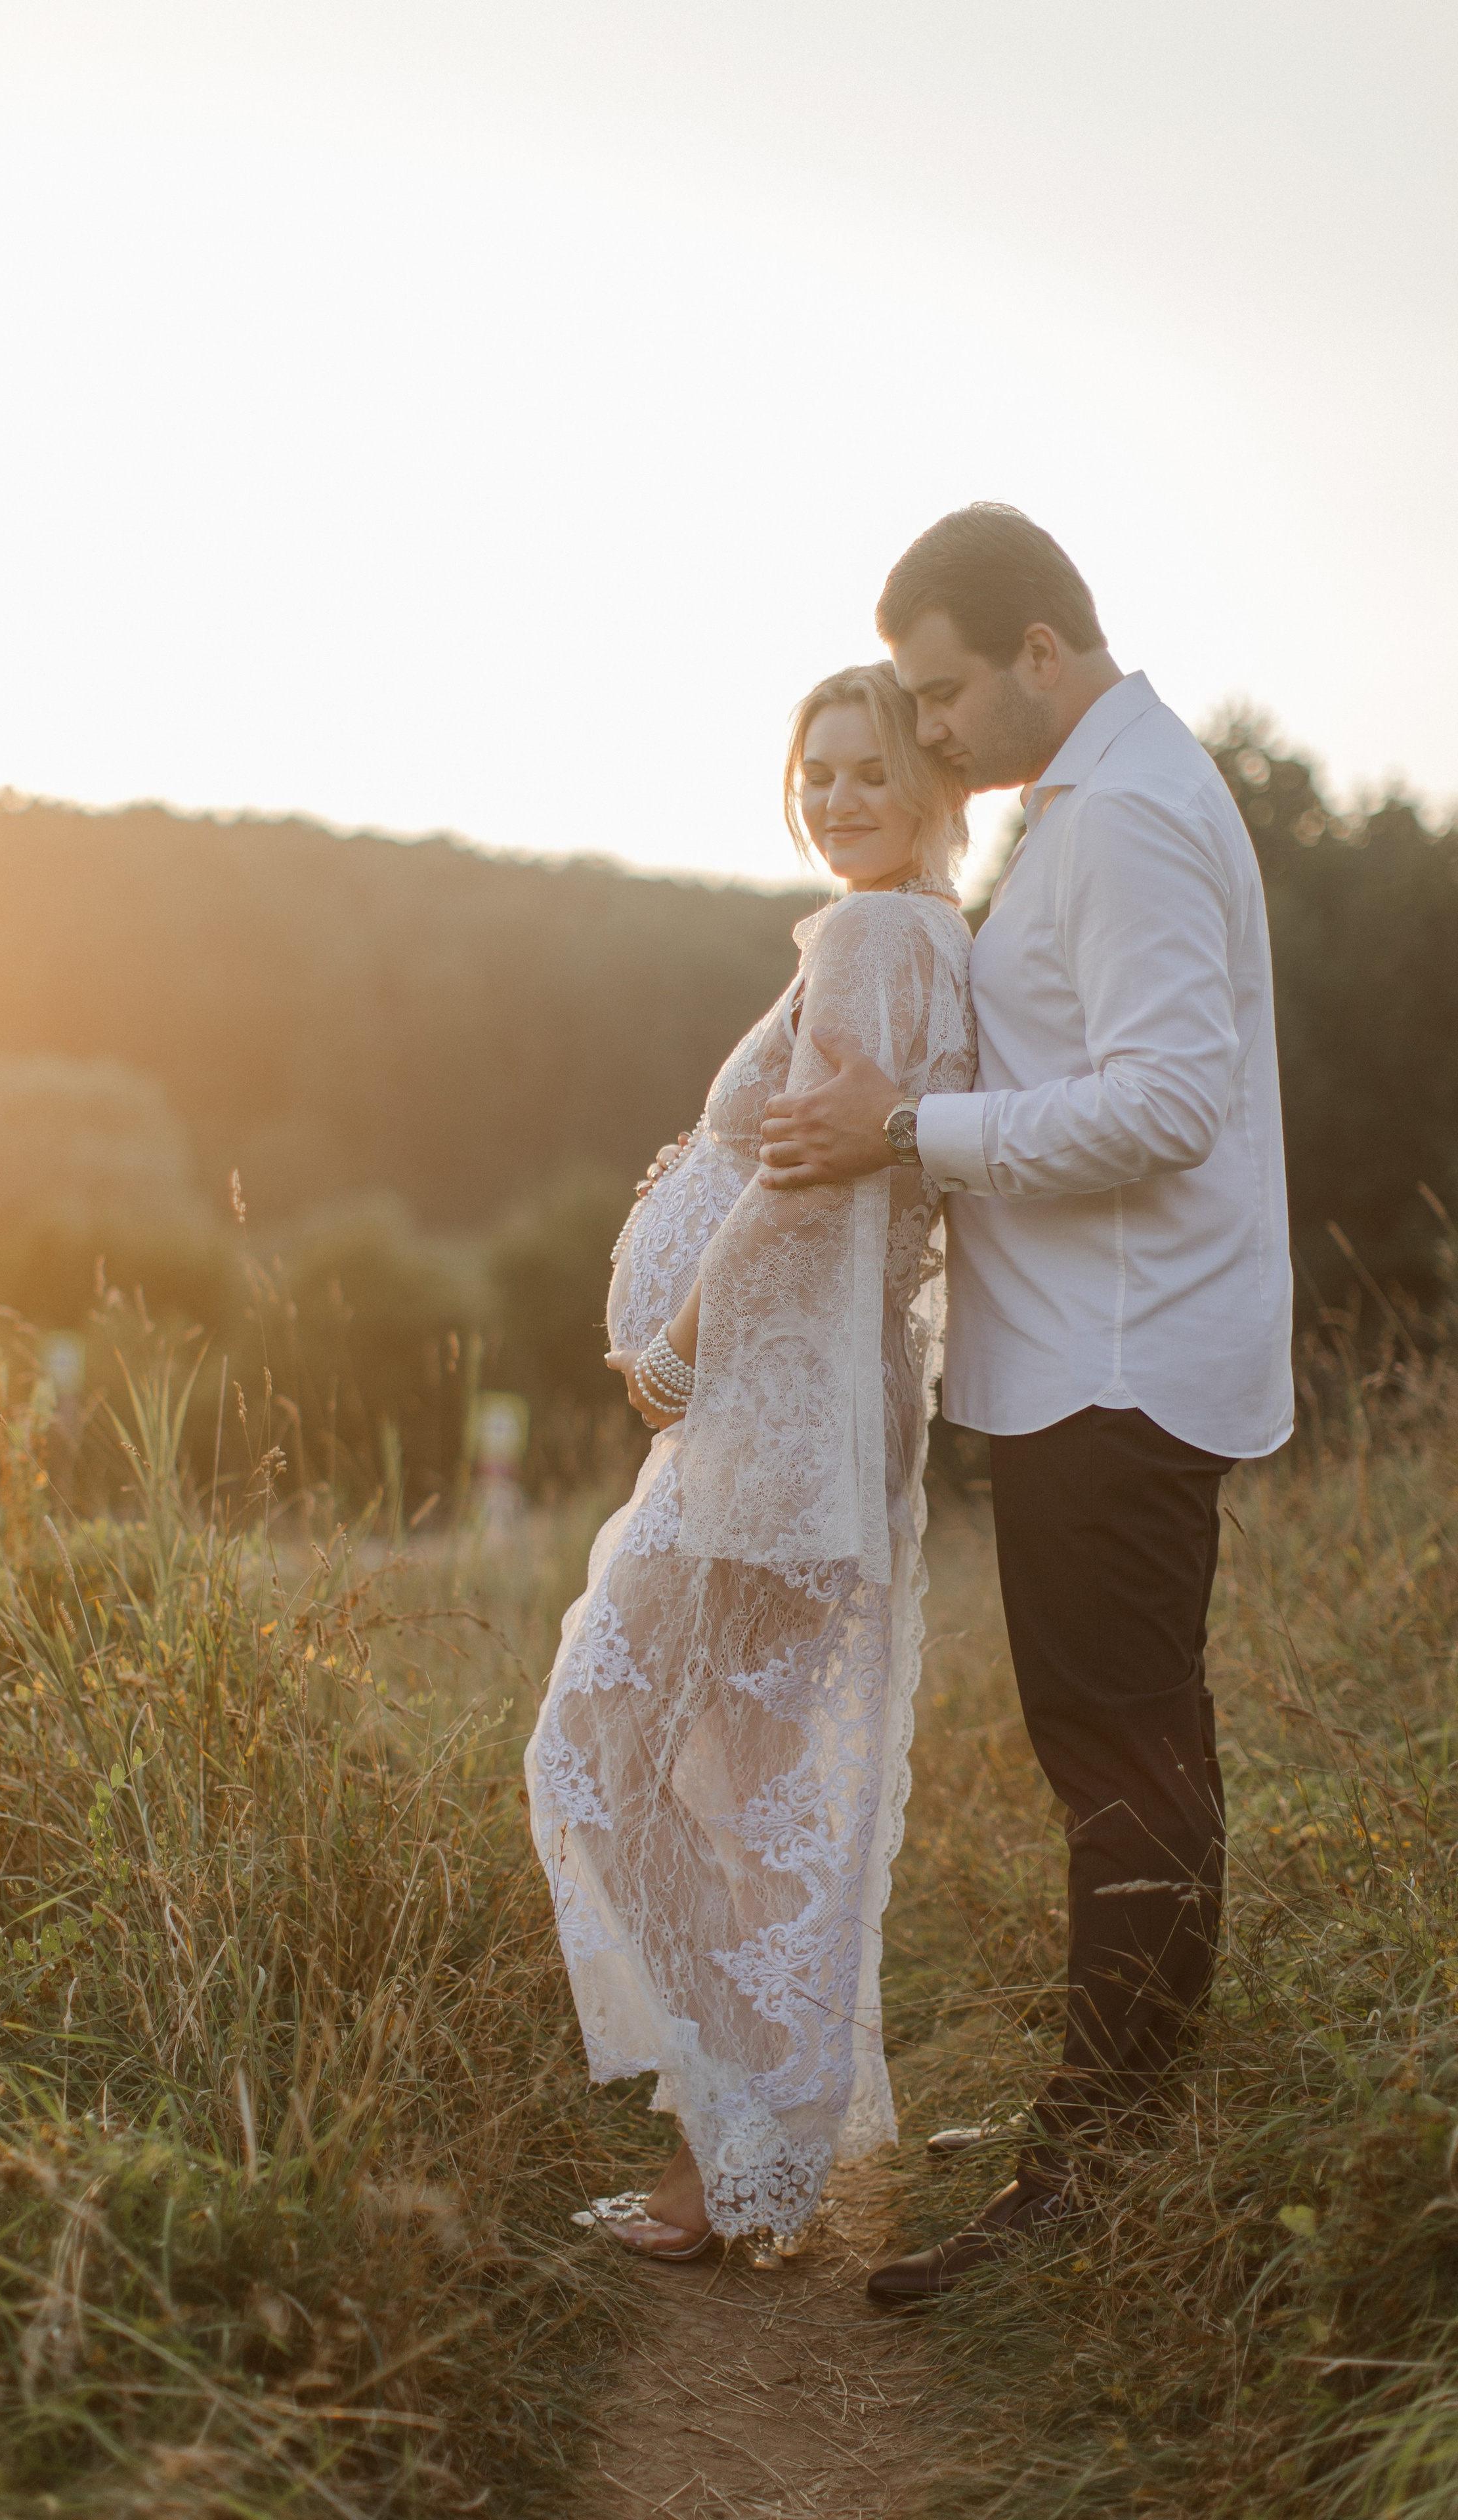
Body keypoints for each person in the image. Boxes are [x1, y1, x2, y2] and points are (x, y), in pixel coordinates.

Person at [758, 505, 1294, 2304]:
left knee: (1120, 1757)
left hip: (1118, 1374)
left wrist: (907, 1134)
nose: (931, 734)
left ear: (1040, 655)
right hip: (1094, 1360)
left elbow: (1168, 1106)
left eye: (942, 691)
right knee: (1130, 1751)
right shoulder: (1099, 797)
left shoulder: (1129, 818)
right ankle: (1120, 2121)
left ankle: (1090, 2175)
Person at [525, 664, 975, 2260]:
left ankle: (746, 2147)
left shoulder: (872, 935)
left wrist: (675, 1346)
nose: (838, 800)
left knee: (590, 1754)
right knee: (732, 1783)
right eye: (816, 772)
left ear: (932, 790)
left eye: (869, 774)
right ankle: (744, 2153)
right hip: (805, 1424)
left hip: (771, 1426)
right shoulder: (919, 935)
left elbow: (796, 1174)